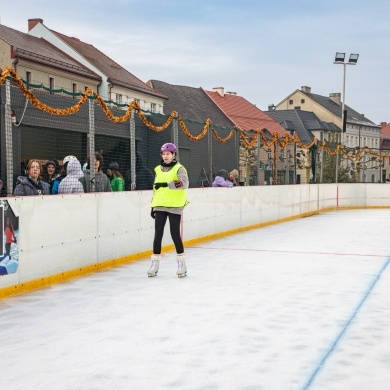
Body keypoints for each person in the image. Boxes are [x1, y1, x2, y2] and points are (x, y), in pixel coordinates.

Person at [148, 143, 189, 278]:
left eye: (168, 154)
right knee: (158, 234)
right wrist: (152, 206)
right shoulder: (158, 170)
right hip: (160, 205)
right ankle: (154, 263)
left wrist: (167, 184)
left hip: (175, 206)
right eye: (164, 154)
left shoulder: (179, 169)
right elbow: (156, 188)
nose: (165, 156)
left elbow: (184, 183)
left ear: (173, 155)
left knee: (174, 234)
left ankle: (181, 263)